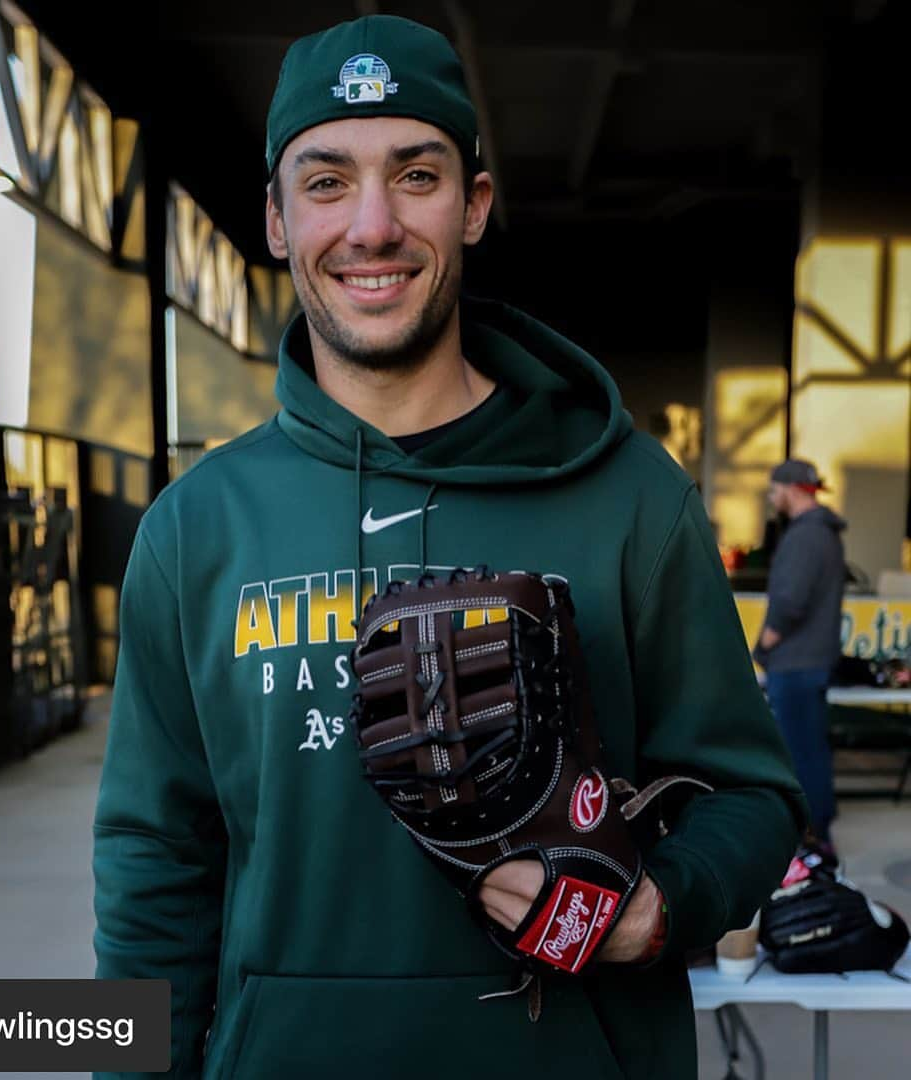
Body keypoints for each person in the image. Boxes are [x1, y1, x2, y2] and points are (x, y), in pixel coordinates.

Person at [92, 15, 806, 1079]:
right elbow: (155, 859)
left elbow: (753, 799)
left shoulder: (630, 498)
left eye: (414, 175)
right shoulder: (199, 526)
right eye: (326, 183)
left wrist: (661, 906)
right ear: (279, 222)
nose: (371, 226)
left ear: (473, 205)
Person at [755, 458, 846, 849]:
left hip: (796, 664)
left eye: (774, 490)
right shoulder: (822, 533)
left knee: (800, 752)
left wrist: (763, 646)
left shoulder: (806, 536)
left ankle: (813, 838)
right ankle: (818, 831)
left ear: (791, 489)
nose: (772, 497)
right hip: (809, 662)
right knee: (810, 748)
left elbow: (790, 603)